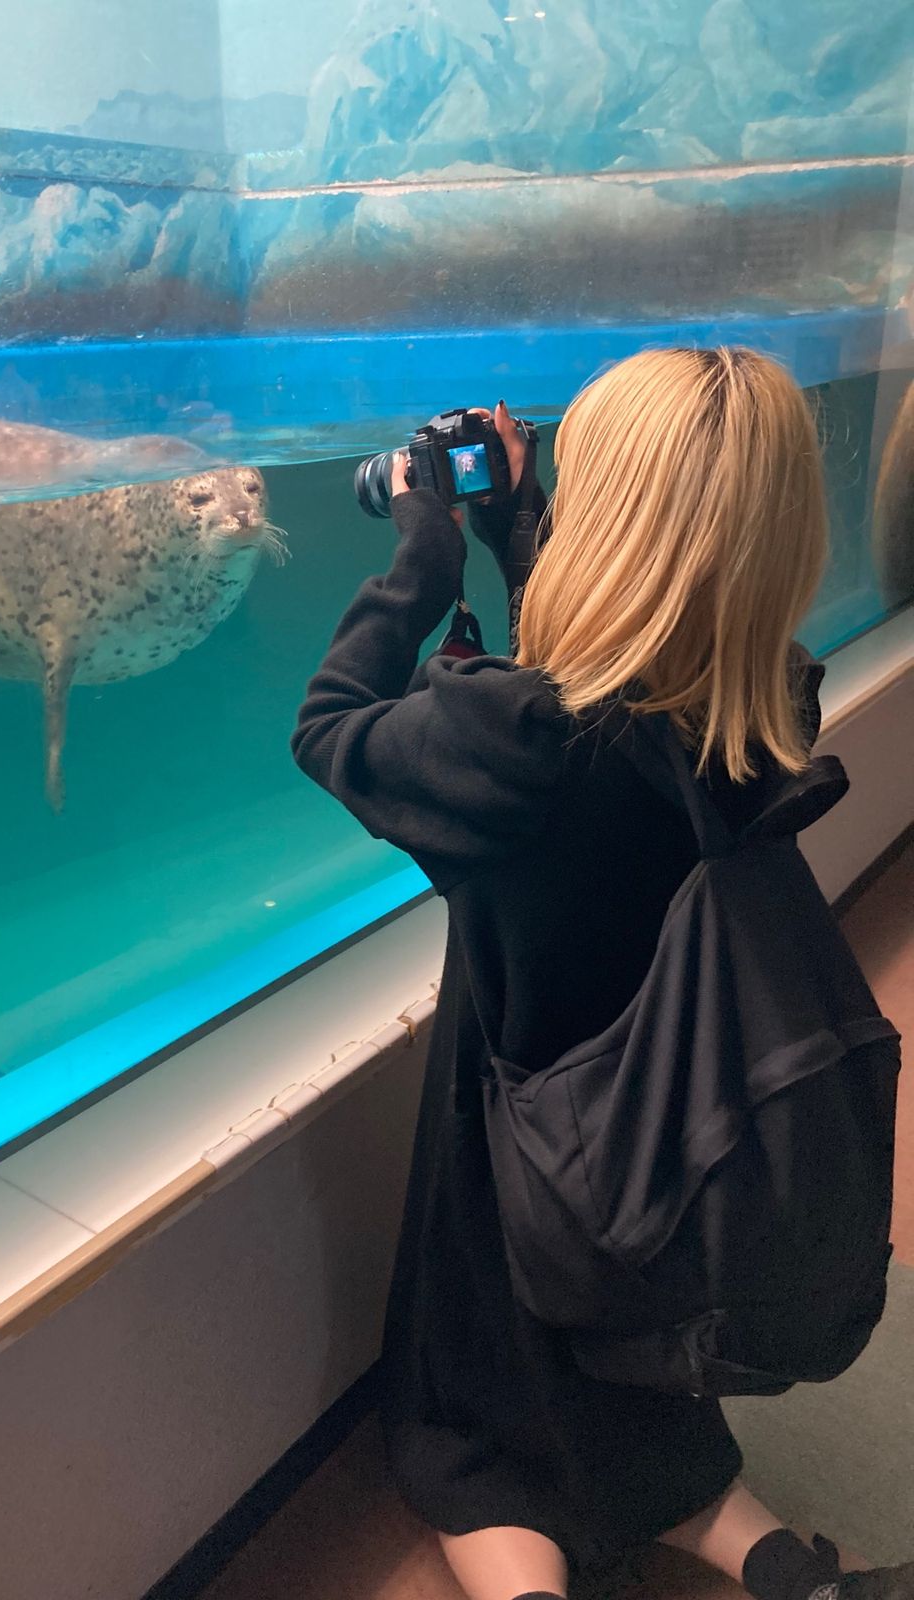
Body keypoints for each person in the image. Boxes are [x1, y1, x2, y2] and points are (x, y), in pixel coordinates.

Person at [292, 348, 913, 1600]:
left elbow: (330, 725)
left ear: (611, 525)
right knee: (645, 1405)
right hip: (677, 1163)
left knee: (484, 1442)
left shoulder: (501, 742)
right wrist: (525, 533)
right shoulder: (763, 714)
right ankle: (776, 1555)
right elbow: (628, 675)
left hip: (528, 1165)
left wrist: (425, 551)